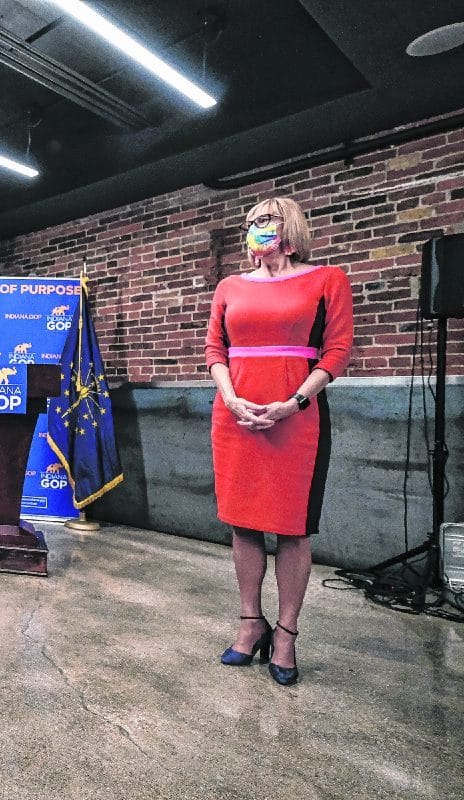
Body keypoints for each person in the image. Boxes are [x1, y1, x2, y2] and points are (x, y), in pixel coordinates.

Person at [204, 196, 354, 686]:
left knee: (293, 529)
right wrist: (229, 398)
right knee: (242, 523)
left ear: (288, 226)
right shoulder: (229, 286)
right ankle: (251, 622)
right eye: (249, 222)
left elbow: (336, 350)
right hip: (236, 418)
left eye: (264, 219)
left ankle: (286, 633)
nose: (254, 227)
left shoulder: (327, 279)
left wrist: (295, 401)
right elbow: (215, 348)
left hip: (297, 419)